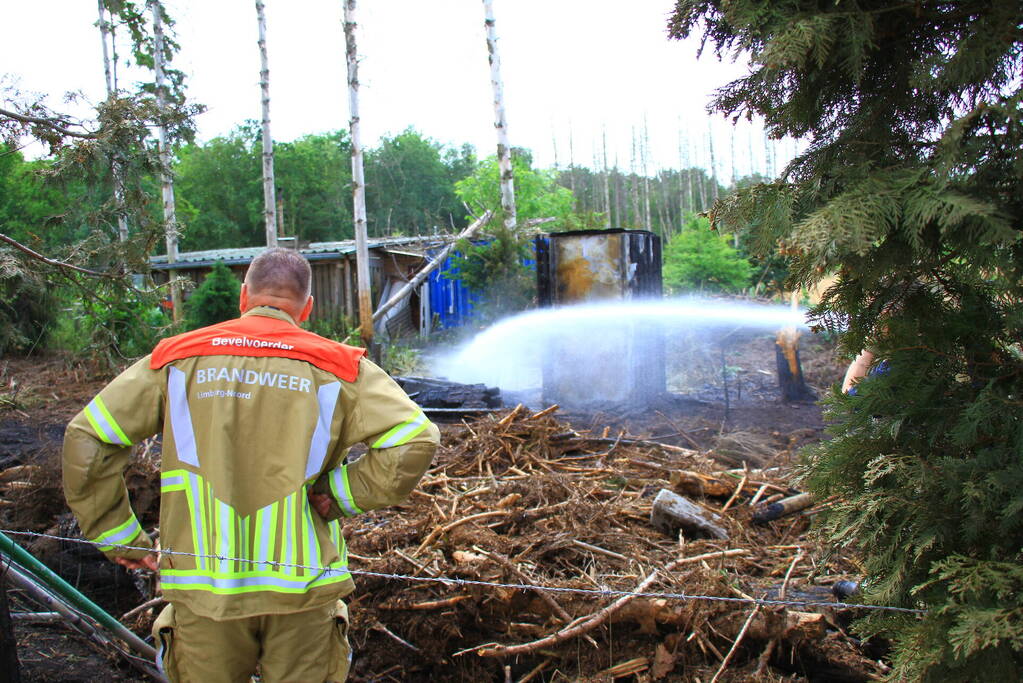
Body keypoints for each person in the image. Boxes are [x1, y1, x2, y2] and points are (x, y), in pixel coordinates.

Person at [62, 248, 439, 682]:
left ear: (244, 298)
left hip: (204, 591)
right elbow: (416, 439)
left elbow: (88, 438)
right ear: (307, 308)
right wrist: (338, 495)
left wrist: (123, 540)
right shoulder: (339, 367)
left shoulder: (176, 359)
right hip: (304, 588)